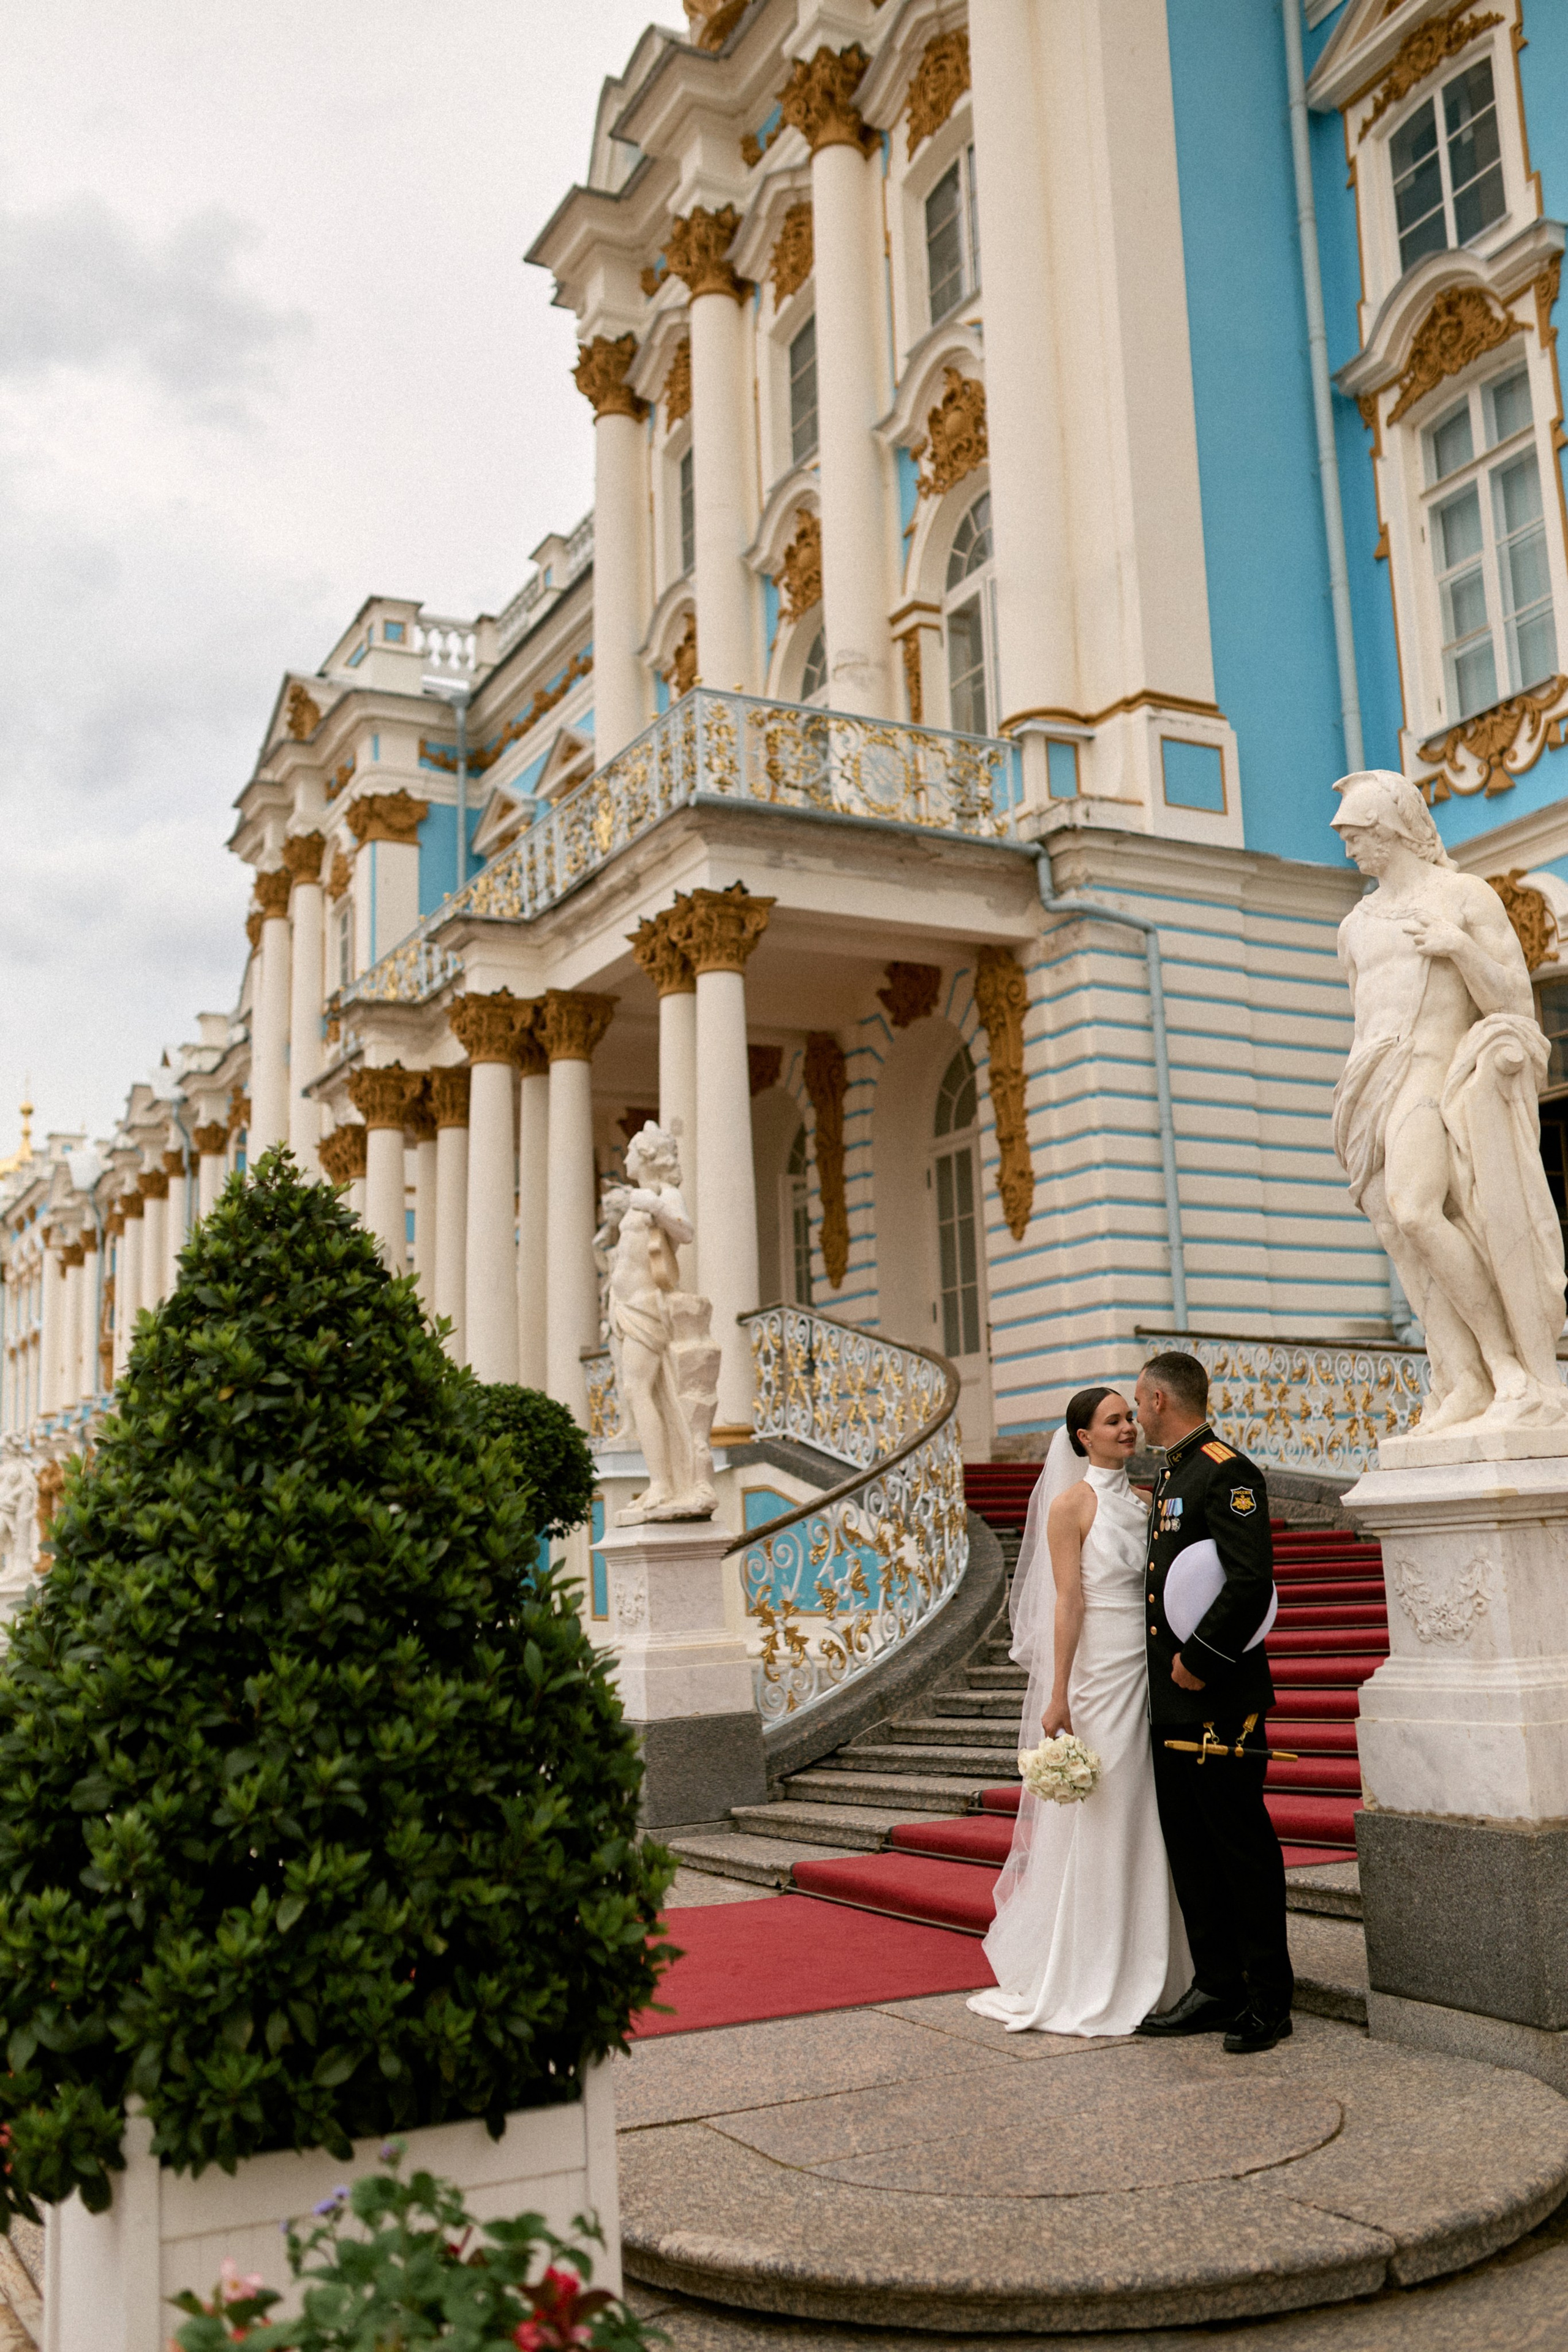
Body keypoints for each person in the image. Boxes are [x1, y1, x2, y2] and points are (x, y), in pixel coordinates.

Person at [1331, 767, 1567, 1434]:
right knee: (1396, 1234)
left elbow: (1514, 1003)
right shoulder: (1353, 927)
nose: (1349, 850)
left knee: (1415, 1209)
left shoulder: (1462, 898)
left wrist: (1457, 947)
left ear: (1391, 829)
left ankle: (1512, 1368)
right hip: (1366, 1087)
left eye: (1356, 834)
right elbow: (1363, 1017)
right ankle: (1460, 1379)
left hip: (1432, 1075)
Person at [967, 1386, 1190, 2037]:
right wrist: (1058, 1692)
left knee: (1151, 1808)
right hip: (1098, 1677)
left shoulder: (1150, 1502)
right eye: (1112, 1421)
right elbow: (1067, 1604)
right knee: (1111, 1809)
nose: (1127, 1428)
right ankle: (1096, 1966)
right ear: (1081, 1437)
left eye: (1129, 1418)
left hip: (1149, 1672)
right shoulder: (1071, 1507)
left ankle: (1161, 1961)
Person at [1133, 1350, 1292, 2054]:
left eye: (1138, 1403)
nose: (1136, 1415)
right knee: (1191, 1849)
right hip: (1172, 1703)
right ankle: (1215, 1984)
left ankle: (1268, 1997)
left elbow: (1249, 1581)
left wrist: (1200, 1658)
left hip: (1219, 1695)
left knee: (1239, 1848)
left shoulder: (1227, 1470)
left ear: (1161, 1400)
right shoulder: (1173, 1471)